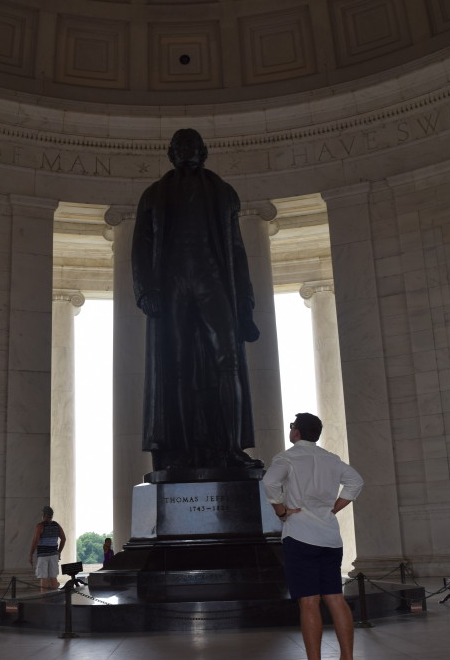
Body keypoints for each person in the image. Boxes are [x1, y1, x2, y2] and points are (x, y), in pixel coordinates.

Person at [131, 128, 262, 471]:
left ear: (203, 151)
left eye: (192, 144)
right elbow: (141, 248)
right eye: (180, 144)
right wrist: (145, 291)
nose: (186, 149)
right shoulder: (153, 195)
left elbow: (237, 250)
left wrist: (245, 306)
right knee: (176, 366)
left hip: (213, 281)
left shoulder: (224, 193)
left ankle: (231, 448)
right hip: (172, 284)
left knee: (228, 360)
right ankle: (181, 451)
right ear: (171, 152)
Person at [263, 413, 364, 660]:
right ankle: (347, 657)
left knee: (309, 602)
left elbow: (269, 482)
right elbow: (356, 482)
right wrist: (334, 509)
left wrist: (281, 510)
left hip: (300, 536)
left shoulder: (287, 458)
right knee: (335, 598)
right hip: (330, 537)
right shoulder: (331, 459)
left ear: (296, 432)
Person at [29, 506, 66, 592]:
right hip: (54, 555)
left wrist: (31, 554)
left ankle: (43, 599)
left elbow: (35, 541)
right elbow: (64, 539)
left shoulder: (40, 526)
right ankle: (56, 599)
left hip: (43, 555)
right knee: (53, 577)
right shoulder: (56, 525)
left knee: (43, 578)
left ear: (44, 515)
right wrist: (59, 551)